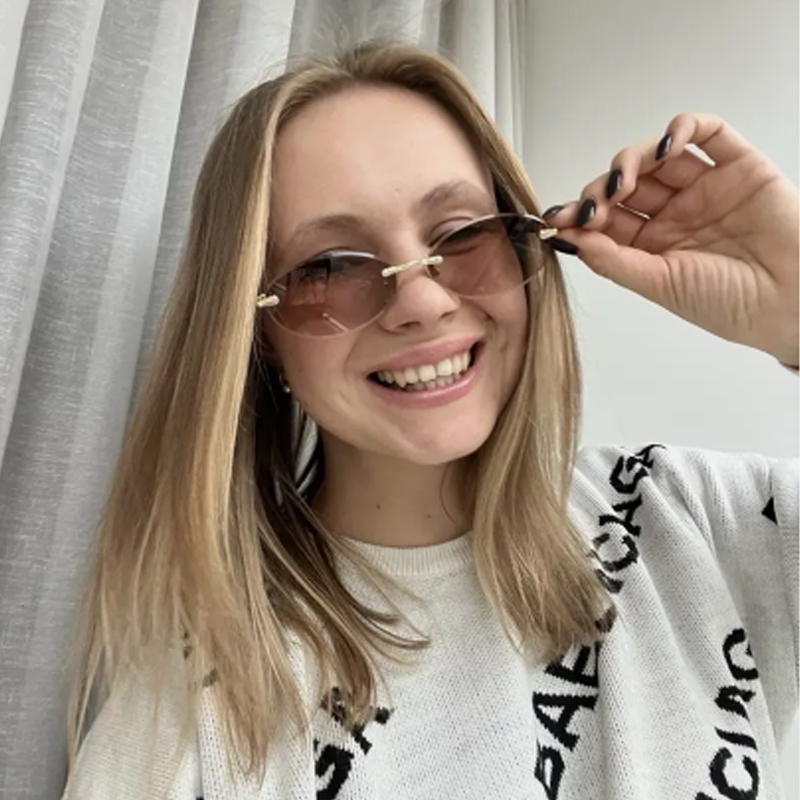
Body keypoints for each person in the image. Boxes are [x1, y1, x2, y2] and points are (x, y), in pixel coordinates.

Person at [61, 41, 798, 799]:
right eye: (329, 268)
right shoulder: (186, 722)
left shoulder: (691, 520)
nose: (423, 301)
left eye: (464, 234)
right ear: (258, 336)